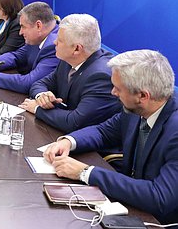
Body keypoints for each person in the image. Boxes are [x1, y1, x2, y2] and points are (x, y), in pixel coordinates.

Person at [44, 50, 178, 224]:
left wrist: (85, 172)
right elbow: (104, 131)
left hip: (159, 221)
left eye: (118, 88)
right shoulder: (137, 108)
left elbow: (159, 197)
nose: (113, 92)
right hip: (129, 203)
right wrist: (69, 141)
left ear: (143, 96)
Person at [19, 14, 121, 133]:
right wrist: (42, 96)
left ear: (77, 49)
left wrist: (37, 108)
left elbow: (75, 122)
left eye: (60, 40)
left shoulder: (101, 76)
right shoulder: (67, 60)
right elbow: (40, 83)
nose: (54, 42)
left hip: (92, 147)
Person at [0, 1, 59, 93]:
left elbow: (30, 82)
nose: (20, 32)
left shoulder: (54, 46)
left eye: (23, 27)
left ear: (38, 26)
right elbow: (17, 55)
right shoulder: (39, 37)